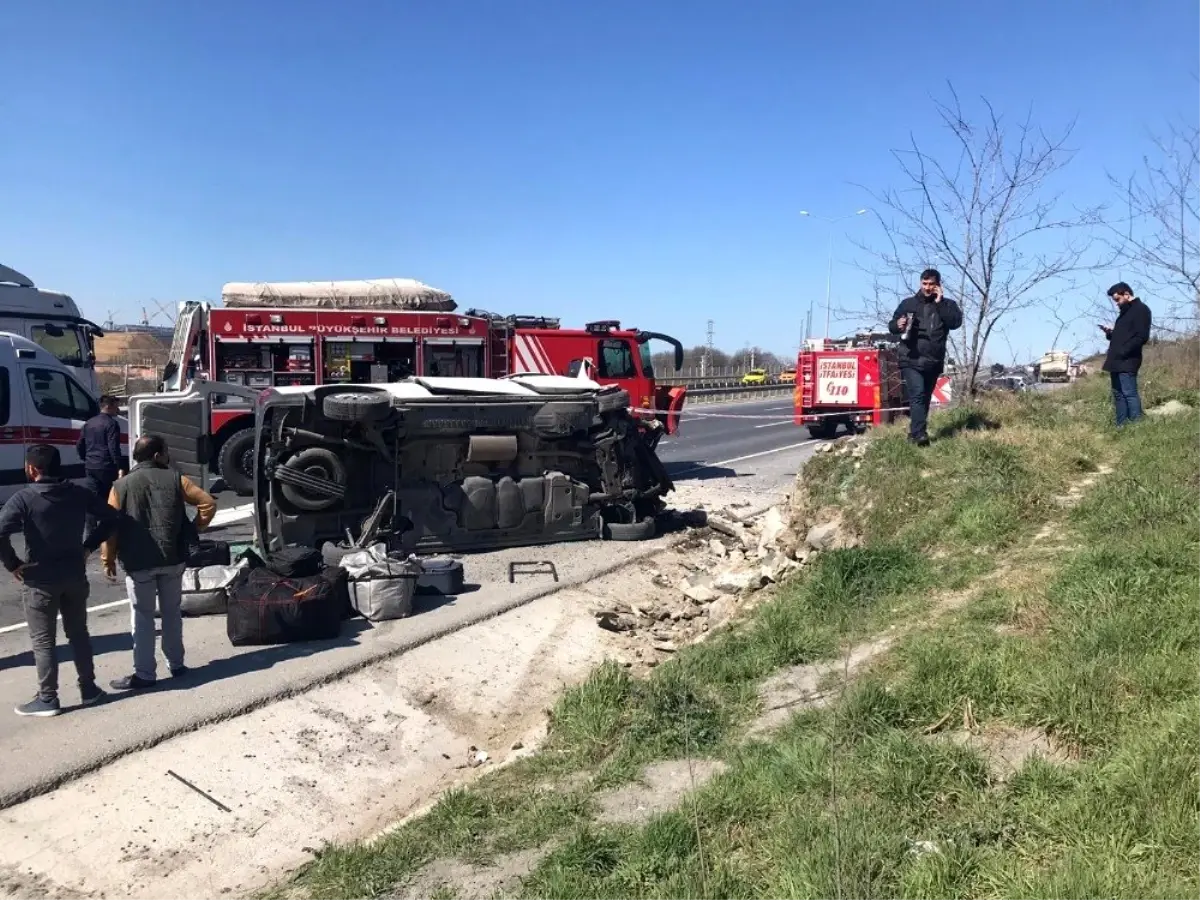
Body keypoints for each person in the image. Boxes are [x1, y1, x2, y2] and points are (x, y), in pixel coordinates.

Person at [0, 445, 117, 717]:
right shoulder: (78, 493)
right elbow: (111, 518)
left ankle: (48, 698)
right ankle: (89, 688)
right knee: (79, 635)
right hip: (74, 576)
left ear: (32, 468)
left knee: (44, 642)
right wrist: (88, 545)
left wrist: (13, 564)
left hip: (40, 580)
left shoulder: (24, 499)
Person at [101, 434, 217, 691]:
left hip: (138, 563)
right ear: (156, 455)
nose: (169, 456)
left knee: (142, 618)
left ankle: (144, 673)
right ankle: (176, 665)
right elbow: (207, 503)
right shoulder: (176, 478)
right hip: (173, 559)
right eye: (166, 452)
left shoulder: (120, 486)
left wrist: (107, 559)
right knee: (172, 613)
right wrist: (195, 527)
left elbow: (110, 528)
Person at [888, 268, 963, 446]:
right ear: (920, 283)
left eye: (931, 284)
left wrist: (939, 302)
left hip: (933, 360)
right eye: (924, 284)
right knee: (918, 395)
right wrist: (898, 325)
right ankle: (920, 435)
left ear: (938, 285)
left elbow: (955, 323)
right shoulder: (908, 304)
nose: (927, 287)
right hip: (910, 358)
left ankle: (914, 434)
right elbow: (891, 326)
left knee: (925, 398)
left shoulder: (948, 305)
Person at [1099, 282, 1152, 427]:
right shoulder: (1124, 312)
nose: (1116, 303)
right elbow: (1123, 336)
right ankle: (1121, 427)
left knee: (1129, 394)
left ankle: (1136, 427)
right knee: (1118, 395)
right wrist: (1110, 333)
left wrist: (1123, 351)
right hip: (1116, 361)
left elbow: (1141, 337)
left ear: (1127, 294)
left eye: (1117, 300)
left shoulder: (1141, 310)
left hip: (1128, 360)